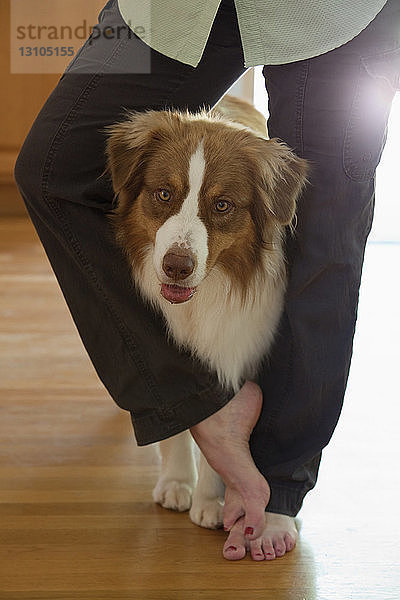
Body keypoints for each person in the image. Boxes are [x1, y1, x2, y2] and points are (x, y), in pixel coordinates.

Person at [14, 0, 400, 561]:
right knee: (51, 167)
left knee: (326, 228)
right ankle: (196, 401)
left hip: (345, 11)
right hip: (171, 7)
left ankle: (281, 479)